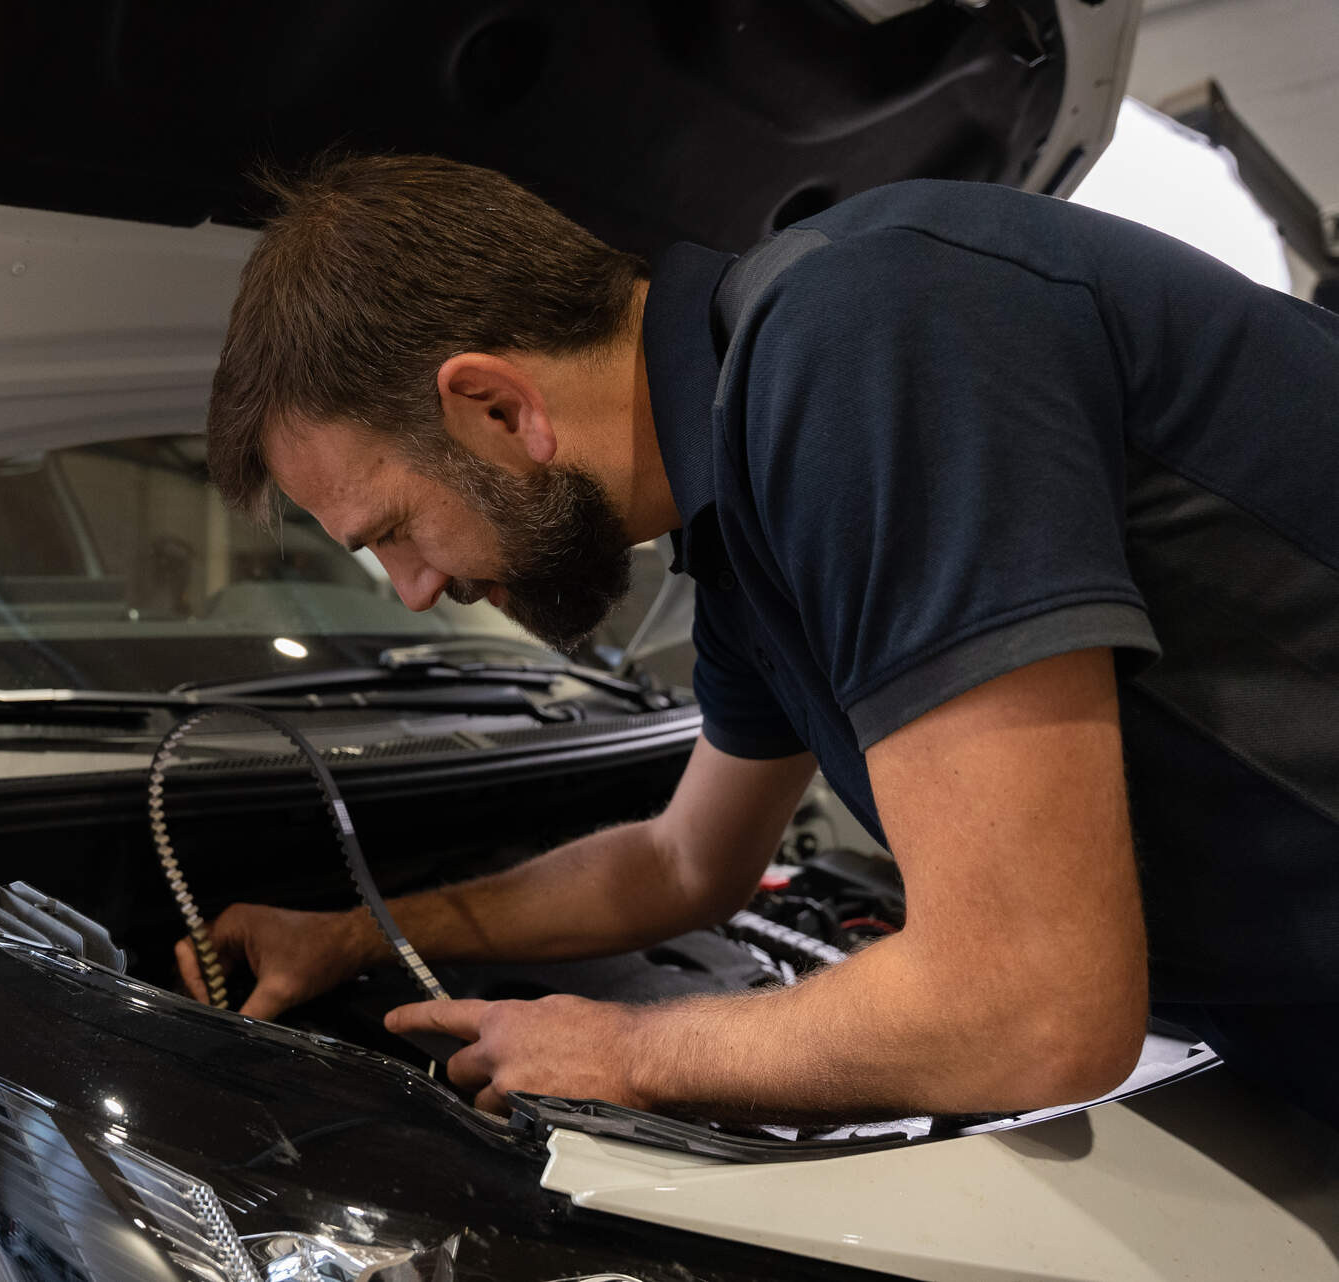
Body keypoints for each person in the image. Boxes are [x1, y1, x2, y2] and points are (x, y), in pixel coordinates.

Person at [183, 153, 1339, 1126]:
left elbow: (1027, 1010)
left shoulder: (866, 335)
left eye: (391, 530)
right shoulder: (738, 508)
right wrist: (355, 936)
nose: (413, 589)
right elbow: (682, 861)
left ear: (497, 406)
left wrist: (628, 1051)